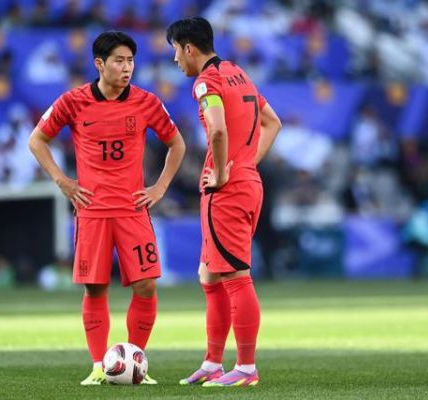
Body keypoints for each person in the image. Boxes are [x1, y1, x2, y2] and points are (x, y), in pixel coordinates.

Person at [29, 31, 185, 385]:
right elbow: (37, 139)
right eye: (118, 61)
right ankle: (99, 366)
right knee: (95, 288)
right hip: (92, 211)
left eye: (130, 61)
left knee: (146, 286)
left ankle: (135, 363)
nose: (126, 68)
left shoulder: (147, 102)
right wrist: (62, 181)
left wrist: (160, 187)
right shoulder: (73, 101)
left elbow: (177, 143)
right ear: (99, 64)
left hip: (132, 210)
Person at [166, 17, 282, 387]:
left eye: (175, 51)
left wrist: (220, 172)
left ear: (189, 48)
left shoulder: (207, 81)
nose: (175, 60)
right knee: (209, 274)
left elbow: (217, 129)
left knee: (236, 277)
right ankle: (213, 362)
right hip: (245, 181)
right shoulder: (238, 73)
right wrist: (246, 162)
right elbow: (272, 123)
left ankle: (246, 368)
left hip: (227, 190)